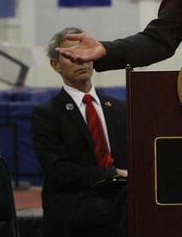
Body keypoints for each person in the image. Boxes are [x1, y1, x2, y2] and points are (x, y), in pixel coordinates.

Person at [31, 27, 128, 237]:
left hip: (122, 194)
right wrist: (111, 175)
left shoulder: (120, 109)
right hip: (75, 201)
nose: (81, 60)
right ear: (55, 65)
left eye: (85, 54)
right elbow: (59, 170)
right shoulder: (46, 114)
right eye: (71, 56)